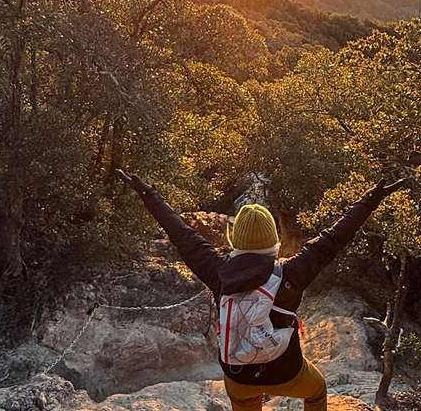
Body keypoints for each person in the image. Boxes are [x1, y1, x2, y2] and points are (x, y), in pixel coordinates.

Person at [116, 170, 405, 411]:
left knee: (244, 398)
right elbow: (334, 238)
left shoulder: (217, 271)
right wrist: (370, 200)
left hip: (239, 375)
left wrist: (148, 194)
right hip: (288, 372)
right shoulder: (293, 272)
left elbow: (182, 234)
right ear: (274, 240)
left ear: (234, 238)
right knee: (316, 390)